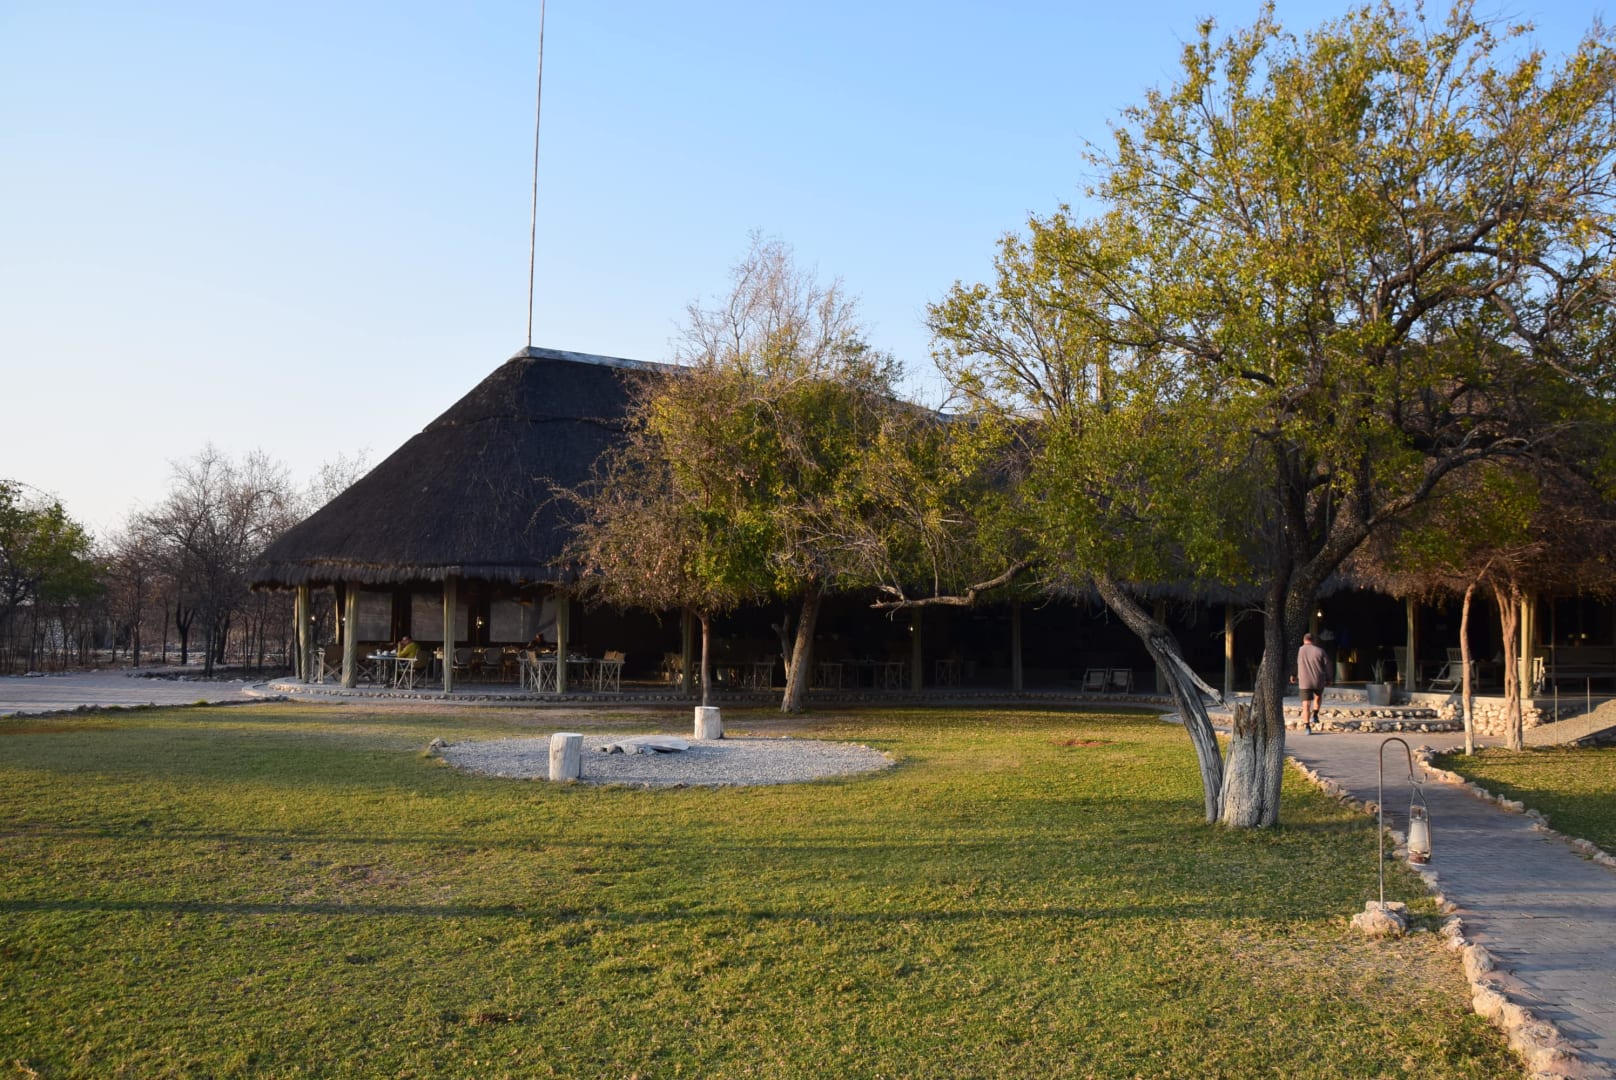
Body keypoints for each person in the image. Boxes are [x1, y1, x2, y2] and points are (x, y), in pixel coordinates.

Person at [1296, 632, 1330, 734]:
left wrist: (1293, 675)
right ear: (1314, 641)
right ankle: (1315, 714)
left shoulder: (1299, 651)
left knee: (1306, 704)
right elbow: (1328, 665)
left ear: (1304, 640)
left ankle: (1307, 727)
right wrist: (1329, 678)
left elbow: (1294, 664)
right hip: (1318, 680)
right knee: (1318, 696)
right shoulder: (1320, 651)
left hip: (1304, 681)